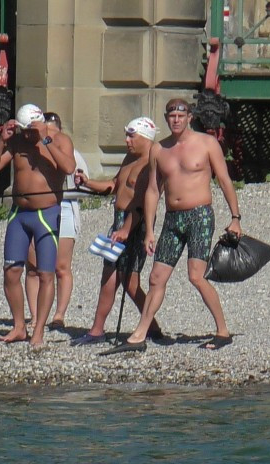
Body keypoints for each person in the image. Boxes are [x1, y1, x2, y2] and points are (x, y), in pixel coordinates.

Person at [102, 99, 242, 354]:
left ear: (189, 117)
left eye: (181, 115)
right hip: (172, 218)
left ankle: (222, 330)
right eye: (172, 116)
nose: (176, 120)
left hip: (199, 216)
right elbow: (154, 191)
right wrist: (151, 231)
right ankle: (139, 335)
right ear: (167, 119)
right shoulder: (159, 149)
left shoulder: (207, 144)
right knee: (156, 278)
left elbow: (223, 179)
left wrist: (235, 218)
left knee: (196, 276)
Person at [0, 103, 76, 348]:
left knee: (46, 274)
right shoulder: (17, 141)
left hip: (46, 214)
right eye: (23, 130)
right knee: (11, 271)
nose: (26, 135)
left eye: (30, 130)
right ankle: (19, 326)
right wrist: (1, 140)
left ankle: (38, 331)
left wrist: (45, 140)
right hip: (19, 214)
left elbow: (69, 168)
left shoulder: (58, 139)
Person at [69, 116, 165, 346]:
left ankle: (152, 327)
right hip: (118, 222)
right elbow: (115, 185)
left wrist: (126, 228)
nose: (127, 140)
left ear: (145, 138)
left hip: (136, 223)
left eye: (132, 136)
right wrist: (88, 183)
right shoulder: (130, 158)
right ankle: (96, 330)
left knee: (130, 283)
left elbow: (144, 202)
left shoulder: (151, 162)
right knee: (109, 277)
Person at [24, 112, 88, 330]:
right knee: (33, 266)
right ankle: (34, 315)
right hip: (39, 209)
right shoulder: (33, 150)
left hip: (65, 208)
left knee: (61, 266)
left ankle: (59, 314)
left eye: (52, 130)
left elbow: (83, 185)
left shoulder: (72, 153)